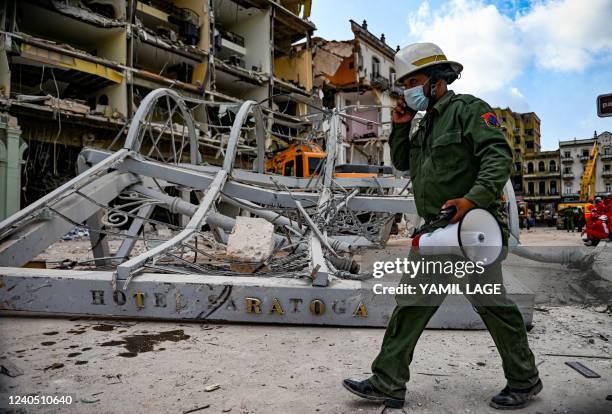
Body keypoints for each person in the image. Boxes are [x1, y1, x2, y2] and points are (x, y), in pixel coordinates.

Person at [342, 43, 541, 410]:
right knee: (411, 304)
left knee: (492, 305)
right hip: (435, 231)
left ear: (437, 81)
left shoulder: (469, 110)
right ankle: (388, 382)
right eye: (404, 84)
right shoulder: (422, 125)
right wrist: (401, 128)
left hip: (471, 229)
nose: (407, 90)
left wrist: (472, 199)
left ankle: (524, 379)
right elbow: (403, 163)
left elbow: (498, 158)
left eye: (413, 81)